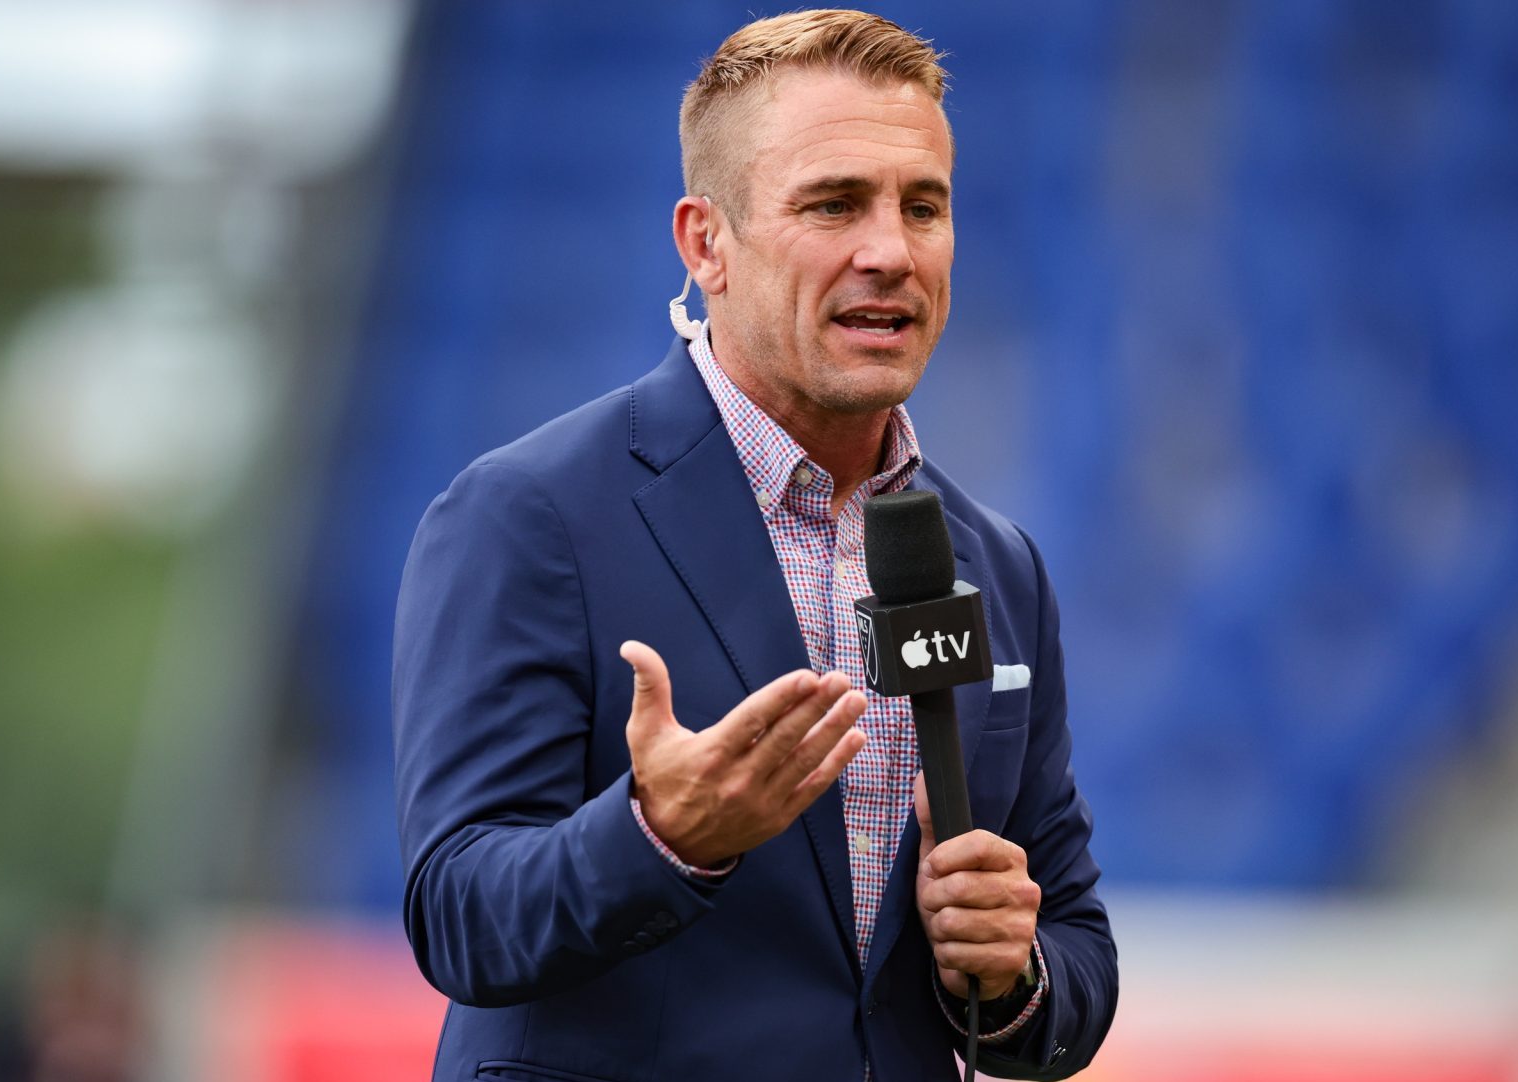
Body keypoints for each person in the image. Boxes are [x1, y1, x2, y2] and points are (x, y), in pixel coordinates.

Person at [392, 11, 1117, 1080]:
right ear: (706, 243)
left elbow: (1076, 944)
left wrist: (1012, 971)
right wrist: (660, 835)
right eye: (833, 203)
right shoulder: (527, 514)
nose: (890, 251)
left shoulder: (997, 564)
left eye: (925, 205)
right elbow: (460, 914)